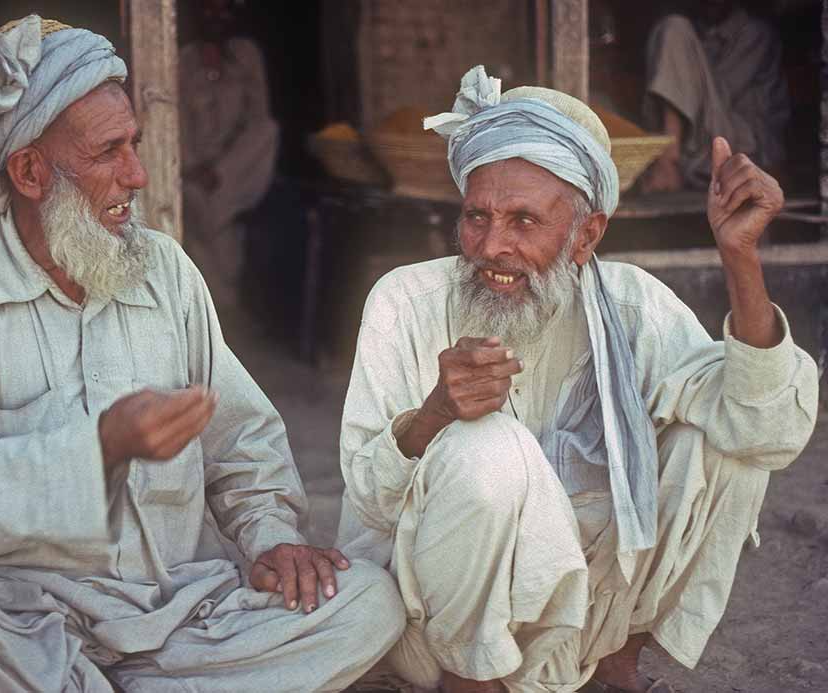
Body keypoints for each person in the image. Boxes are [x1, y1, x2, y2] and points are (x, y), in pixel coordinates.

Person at [0, 15, 403, 692]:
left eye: (134, 144)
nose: (137, 174)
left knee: (369, 599)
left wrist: (269, 538)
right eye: (109, 151)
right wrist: (99, 447)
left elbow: (240, 440)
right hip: (14, 618)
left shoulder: (164, 269)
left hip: (175, 614)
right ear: (29, 170)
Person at [336, 66, 819, 693]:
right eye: (476, 217)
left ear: (586, 236)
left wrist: (740, 257)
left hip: (588, 621)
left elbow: (768, 428)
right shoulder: (404, 301)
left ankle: (616, 662)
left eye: (525, 222)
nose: (492, 246)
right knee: (488, 448)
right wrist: (432, 418)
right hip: (429, 628)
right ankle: (472, 680)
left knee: (727, 443)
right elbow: (368, 503)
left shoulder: (632, 307)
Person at [179, 0, 278, 306]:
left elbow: (259, 116)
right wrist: (193, 167)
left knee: (268, 130)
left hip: (236, 168)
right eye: (209, 11)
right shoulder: (182, 61)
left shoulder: (247, 56)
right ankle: (223, 308)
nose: (217, 19)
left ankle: (216, 207)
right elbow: (176, 122)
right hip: (194, 171)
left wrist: (221, 169)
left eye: (223, 11)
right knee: (212, 217)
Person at [640, 0, 790, 193]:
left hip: (732, 145)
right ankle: (667, 158)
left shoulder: (755, 33)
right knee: (670, 29)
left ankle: (669, 159)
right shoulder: (695, 29)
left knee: (674, 28)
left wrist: (683, 55)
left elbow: (714, 97)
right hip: (697, 141)